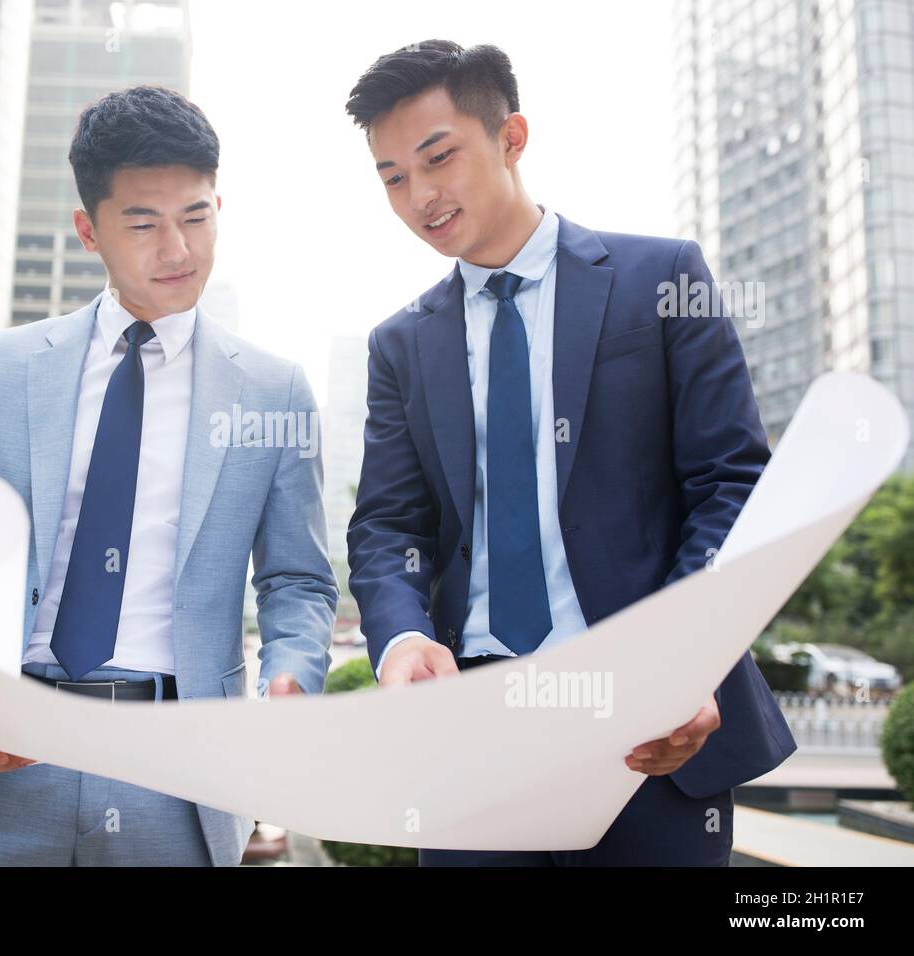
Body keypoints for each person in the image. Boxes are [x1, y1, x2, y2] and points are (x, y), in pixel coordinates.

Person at [343, 40, 796, 866]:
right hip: (472, 743)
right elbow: (386, 528)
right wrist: (402, 640)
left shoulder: (661, 277)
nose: (420, 196)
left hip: (652, 728)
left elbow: (731, 486)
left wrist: (681, 661)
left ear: (511, 136)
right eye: (393, 177)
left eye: (437, 158)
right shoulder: (401, 345)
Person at [0, 85, 336, 866]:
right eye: (143, 223)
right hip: (1, 769)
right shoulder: (0, 370)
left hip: (177, 781)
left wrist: (293, 679)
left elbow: (298, 580)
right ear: (88, 231)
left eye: (198, 217)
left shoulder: (274, 392)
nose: (178, 250)